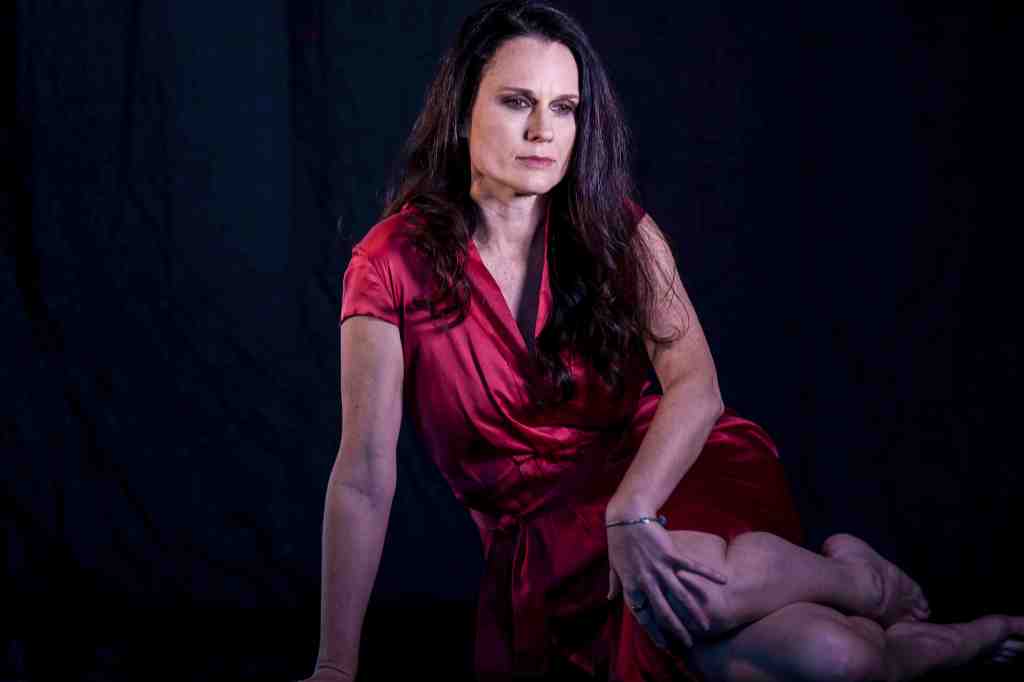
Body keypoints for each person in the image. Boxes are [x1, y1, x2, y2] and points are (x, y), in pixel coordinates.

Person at [304, 2, 1023, 680]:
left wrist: (632, 509)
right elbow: (365, 474)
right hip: (546, 541)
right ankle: (901, 617)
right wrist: (336, 667)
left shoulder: (618, 228)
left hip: (664, 471)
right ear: (463, 110)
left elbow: (696, 387)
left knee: (699, 575)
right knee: (839, 660)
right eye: (518, 101)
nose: (544, 131)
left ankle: (861, 585)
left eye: (566, 108)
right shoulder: (389, 263)